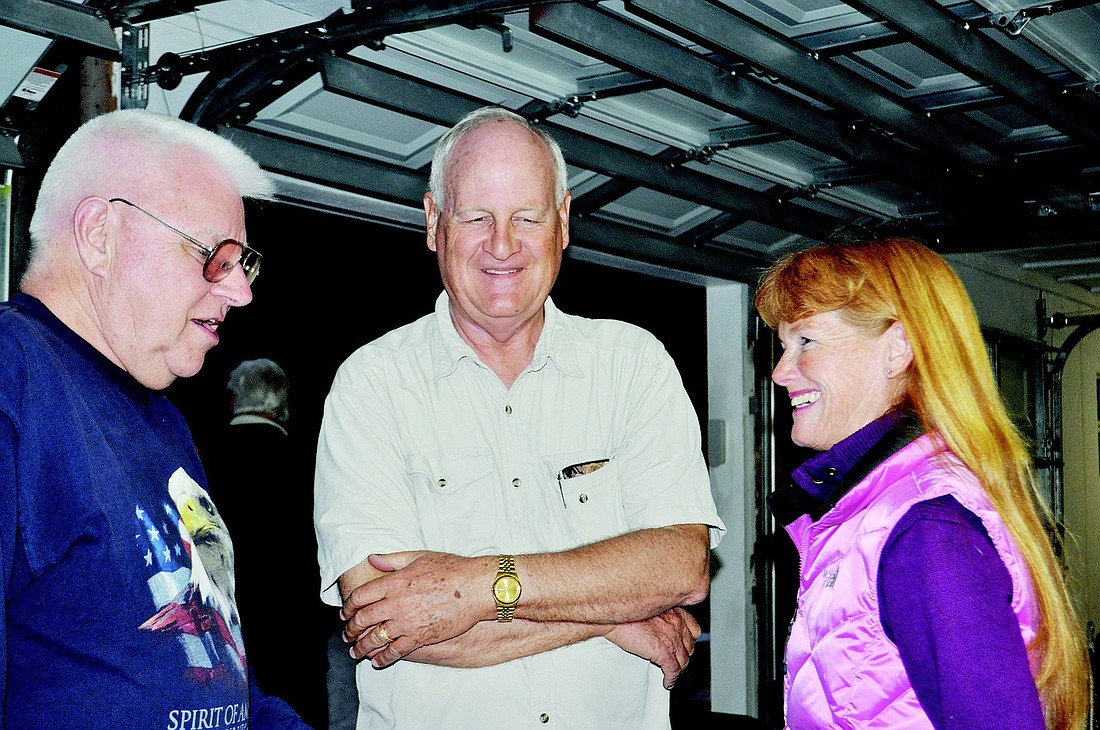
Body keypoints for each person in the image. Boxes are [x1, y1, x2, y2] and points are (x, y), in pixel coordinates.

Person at [313, 106, 726, 729]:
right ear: (433, 223)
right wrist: (615, 612)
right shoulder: (371, 386)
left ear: (561, 223)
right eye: (476, 217)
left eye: (526, 218)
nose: (501, 245)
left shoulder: (634, 365)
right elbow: (390, 626)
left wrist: (479, 588)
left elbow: (680, 566)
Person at [0, 109, 312, 728]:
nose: (241, 292)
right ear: (98, 234)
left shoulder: (164, 421)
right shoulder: (15, 377)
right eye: (212, 255)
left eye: (241, 263)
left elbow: (223, 681)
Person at [754, 236, 1091, 729]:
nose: (780, 372)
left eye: (806, 341)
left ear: (898, 349)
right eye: (783, 346)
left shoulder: (925, 529)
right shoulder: (880, 510)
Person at [204, 358, 332, 728]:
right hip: (296, 634)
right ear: (282, 405)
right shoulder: (314, 463)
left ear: (232, 401)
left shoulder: (200, 458)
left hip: (227, 633)